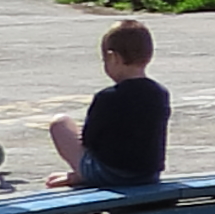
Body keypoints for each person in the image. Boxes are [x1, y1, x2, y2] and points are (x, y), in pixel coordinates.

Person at [46, 18, 172, 191]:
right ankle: (82, 174)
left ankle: (82, 174)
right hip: (147, 174)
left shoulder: (107, 97)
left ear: (114, 58)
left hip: (109, 174)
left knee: (60, 123)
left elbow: (90, 141)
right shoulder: (160, 93)